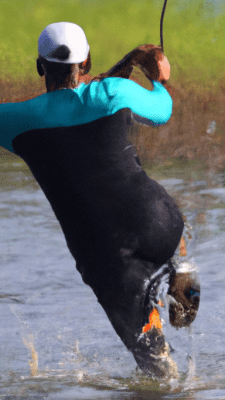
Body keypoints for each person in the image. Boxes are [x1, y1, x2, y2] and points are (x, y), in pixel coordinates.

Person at [0, 22, 200, 378]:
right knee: (161, 210)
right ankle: (181, 264)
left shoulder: (15, 120)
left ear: (39, 67)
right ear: (87, 62)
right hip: (158, 220)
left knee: (157, 369)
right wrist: (155, 75)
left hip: (105, 253)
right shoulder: (114, 92)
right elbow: (162, 109)